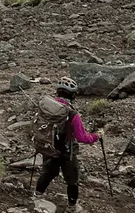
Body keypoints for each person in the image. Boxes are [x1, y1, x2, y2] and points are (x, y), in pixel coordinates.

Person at [34, 76, 100, 212]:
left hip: (49, 146)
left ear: (58, 92)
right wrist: (97, 136)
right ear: (73, 95)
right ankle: (72, 207)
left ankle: (37, 196)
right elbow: (82, 137)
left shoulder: (47, 105)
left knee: (48, 172)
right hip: (67, 151)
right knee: (72, 179)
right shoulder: (72, 113)